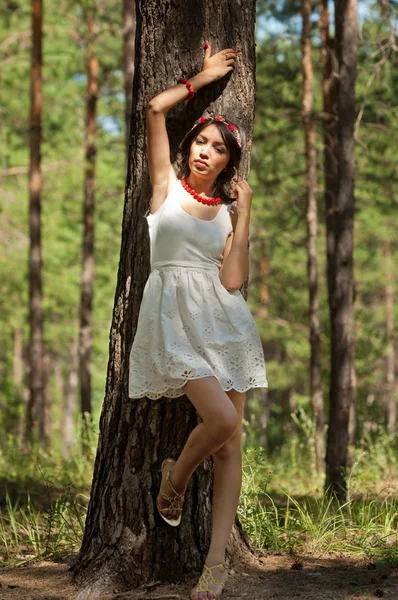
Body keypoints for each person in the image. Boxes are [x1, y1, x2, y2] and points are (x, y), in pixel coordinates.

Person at [129, 42, 268, 600]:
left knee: (231, 443)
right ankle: (176, 477)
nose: (205, 153)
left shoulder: (228, 212)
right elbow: (154, 111)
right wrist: (203, 77)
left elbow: (233, 281)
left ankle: (214, 565)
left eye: (217, 149)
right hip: (173, 321)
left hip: (225, 321)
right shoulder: (164, 191)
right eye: (201, 144)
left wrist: (246, 213)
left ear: (230, 162)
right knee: (222, 423)